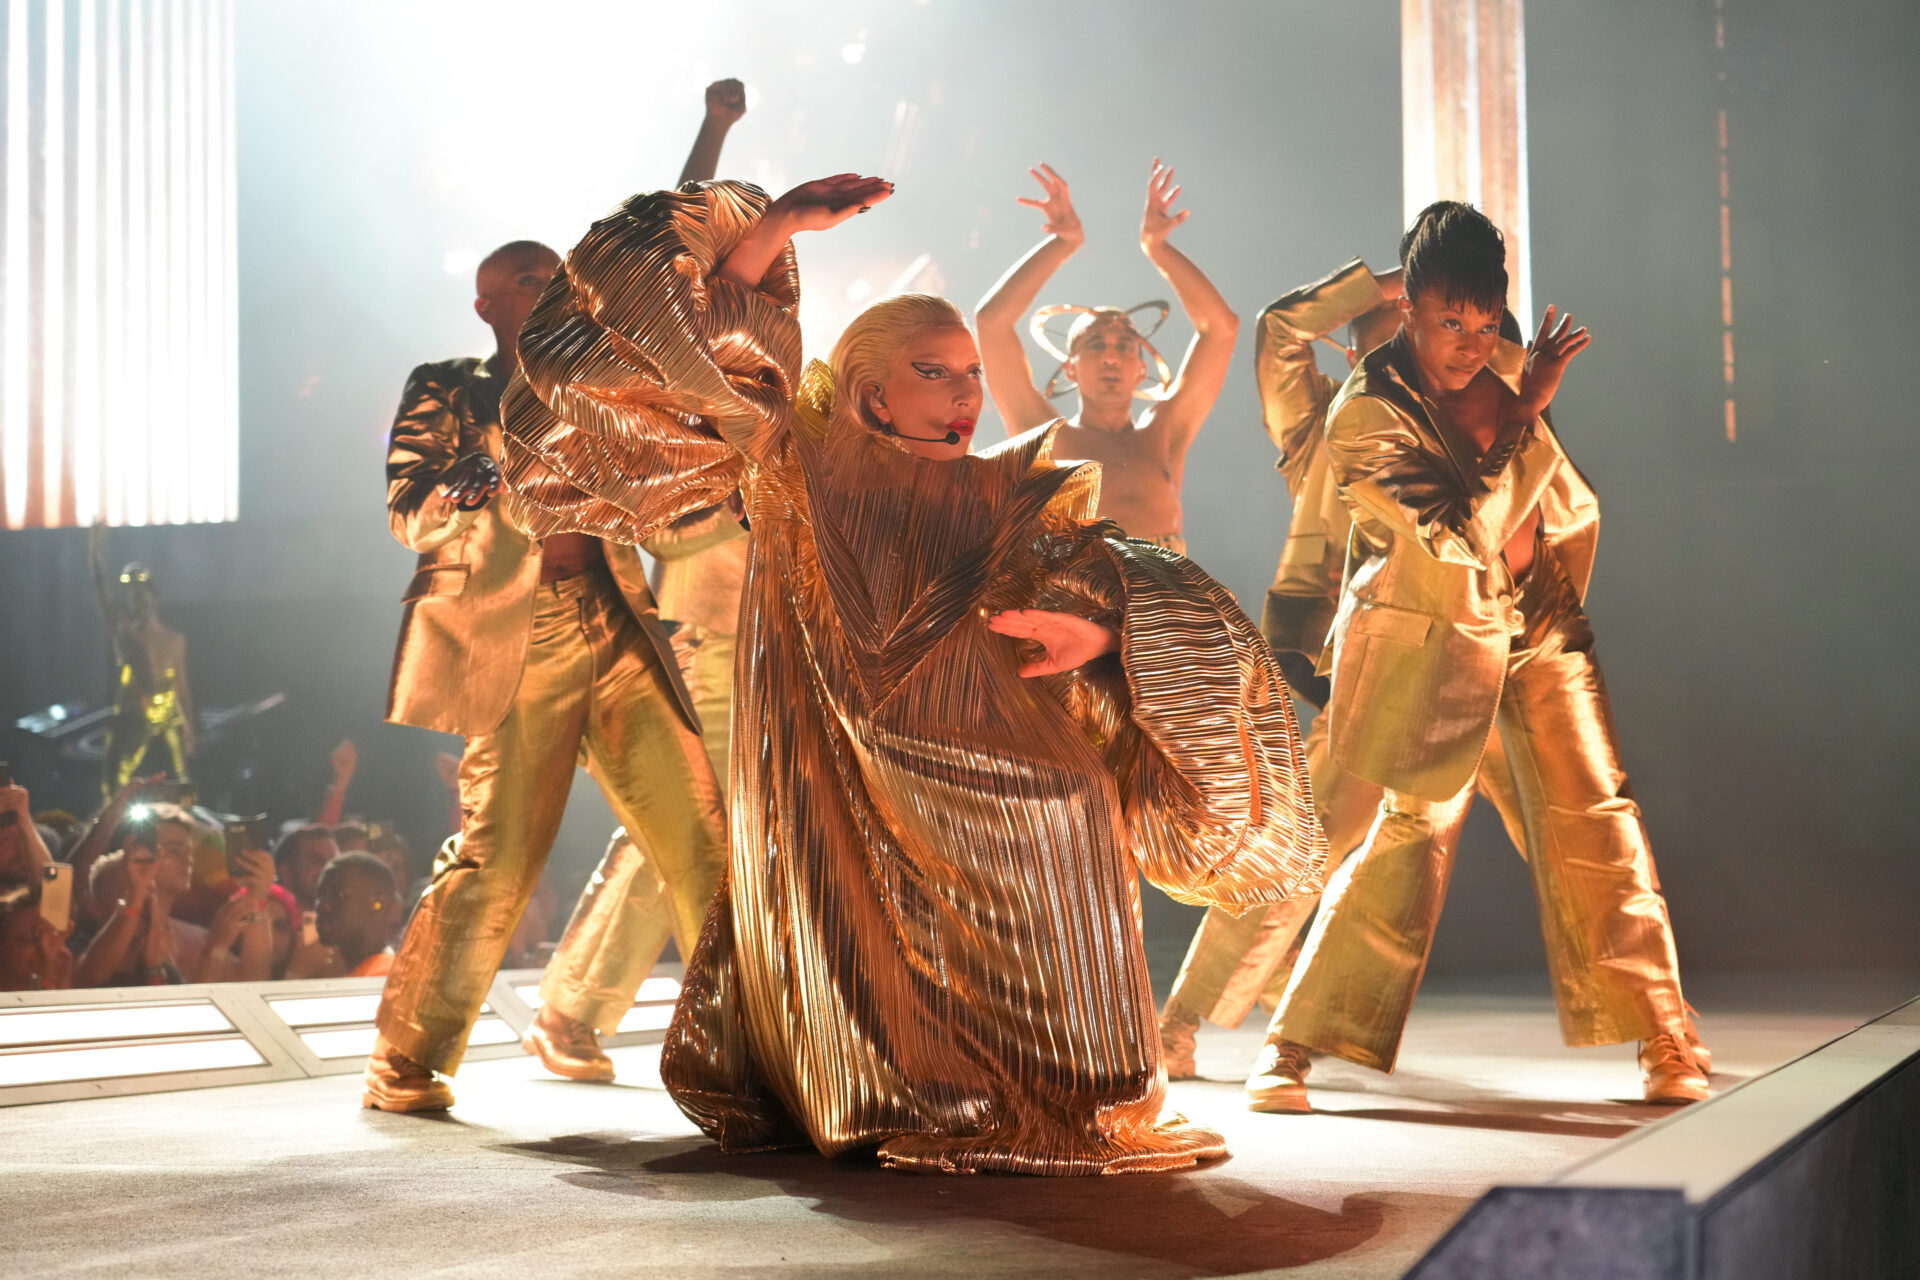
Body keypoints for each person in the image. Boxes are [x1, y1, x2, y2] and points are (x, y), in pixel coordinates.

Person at [499, 175, 1325, 1174]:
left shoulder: (1002, 485)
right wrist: (776, 227)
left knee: (1079, 791)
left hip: (981, 730)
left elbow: (1096, 577)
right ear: (870, 389)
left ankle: (1079, 1083)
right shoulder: (803, 459)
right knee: (1047, 800)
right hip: (853, 760)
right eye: (937, 372)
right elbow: (699, 346)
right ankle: (920, 1074)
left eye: (972, 373)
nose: (969, 393)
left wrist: (1104, 639)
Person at [1261, 201, 1710, 1108]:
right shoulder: (1363, 418)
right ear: (1408, 311)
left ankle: (1666, 1034)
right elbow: (1461, 535)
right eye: (1444, 324)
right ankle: (1294, 1042)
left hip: (1540, 622)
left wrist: (1522, 386)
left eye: (1481, 324)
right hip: (1435, 628)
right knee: (1410, 833)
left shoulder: (1506, 360)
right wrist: (1528, 410)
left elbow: (1549, 508)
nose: (1467, 345)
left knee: (1598, 815)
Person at [363, 83, 749, 1113]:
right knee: (497, 861)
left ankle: (749, 1055)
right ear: (486, 305)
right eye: (521, 279)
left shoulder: (601, 374)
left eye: (553, 276)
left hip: (615, 621)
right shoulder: (448, 384)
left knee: (705, 838)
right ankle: (409, 1053)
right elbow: (408, 509)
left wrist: (712, 133)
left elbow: (660, 255)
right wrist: (477, 469)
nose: (544, 286)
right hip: (513, 631)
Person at [1157, 258, 1532, 1105]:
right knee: (1313, 842)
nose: (1405, 339)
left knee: (1576, 819)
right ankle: (1194, 1024)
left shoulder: (1465, 424)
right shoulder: (1323, 424)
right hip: (1369, 661)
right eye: (1388, 323)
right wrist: (1391, 277)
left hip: (1491, 648)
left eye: (1416, 322)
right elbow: (1280, 329)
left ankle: (1661, 1018)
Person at [974, 161, 1237, 553]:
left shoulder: (1163, 433)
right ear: (1070, 368)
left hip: (1166, 598)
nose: (1111, 356)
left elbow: (1222, 329)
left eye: (1124, 346)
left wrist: (1158, 248)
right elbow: (991, 324)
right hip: (1083, 596)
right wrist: (1062, 243)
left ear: (1141, 368)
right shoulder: (1047, 436)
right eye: (1095, 344)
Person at [88, 528, 195, 797]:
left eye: (143, 593)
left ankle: (186, 819)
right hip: (135, 709)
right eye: (133, 595)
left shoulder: (174, 639)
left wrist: (189, 726)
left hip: (166, 709)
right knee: (114, 780)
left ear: (154, 596)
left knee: (181, 777)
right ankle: (113, 823)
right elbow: (106, 599)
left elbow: (181, 686)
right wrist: (95, 554)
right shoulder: (126, 633)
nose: (139, 600)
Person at [286, 853, 399, 979]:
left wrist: (295, 975)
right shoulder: (331, 971)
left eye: (339, 895)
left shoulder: (384, 977)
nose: (323, 905)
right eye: (319, 894)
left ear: (378, 904)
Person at [272, 825, 339, 913]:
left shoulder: (340, 922)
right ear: (285, 871)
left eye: (333, 861)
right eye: (317, 860)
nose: (328, 867)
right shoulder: (263, 921)